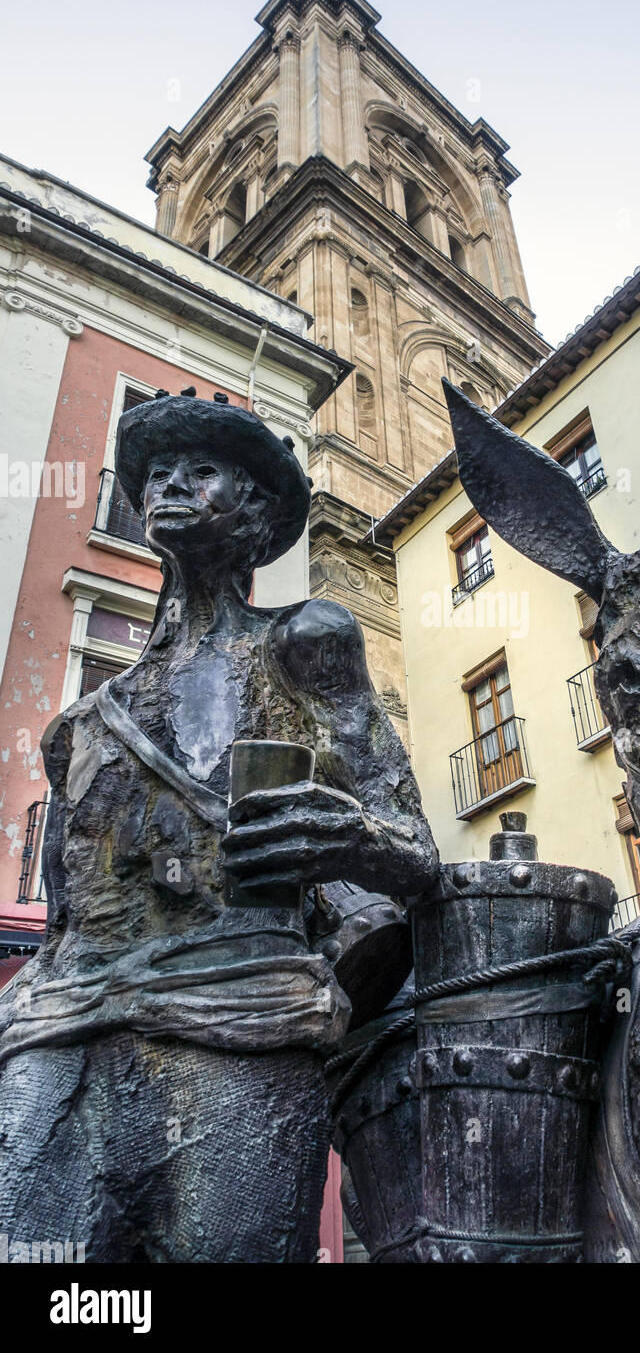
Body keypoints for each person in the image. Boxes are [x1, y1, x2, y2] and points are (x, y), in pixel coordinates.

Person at [0, 390, 438, 1262]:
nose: (170, 485)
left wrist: (345, 835)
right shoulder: (81, 727)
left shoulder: (308, 640)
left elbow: (414, 849)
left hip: (242, 1019)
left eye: (203, 472)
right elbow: (59, 926)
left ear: (259, 512)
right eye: (158, 472)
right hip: (61, 1030)